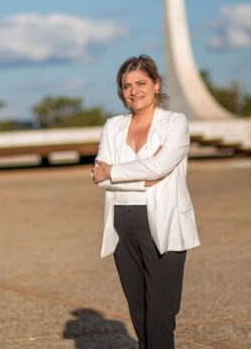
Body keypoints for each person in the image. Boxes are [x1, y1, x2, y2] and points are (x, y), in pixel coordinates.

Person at [91, 55, 200, 349]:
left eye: (140, 83)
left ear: (156, 84)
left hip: (164, 226)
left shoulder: (175, 123)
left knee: (161, 316)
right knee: (139, 315)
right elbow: (100, 177)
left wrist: (116, 172)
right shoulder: (113, 126)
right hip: (122, 226)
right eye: (126, 86)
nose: (133, 91)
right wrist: (142, 177)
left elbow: (160, 166)